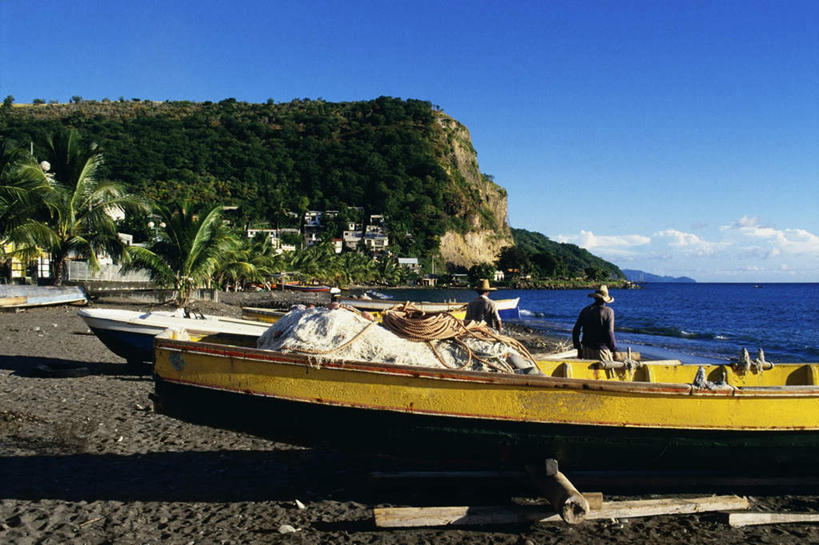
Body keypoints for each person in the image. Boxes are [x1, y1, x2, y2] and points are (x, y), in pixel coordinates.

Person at [572, 285, 617, 361]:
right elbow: (610, 333)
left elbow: (576, 331)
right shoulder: (609, 311)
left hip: (586, 348)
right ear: (605, 299)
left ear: (595, 297)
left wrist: (579, 348)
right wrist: (614, 350)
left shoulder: (585, 310)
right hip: (601, 350)